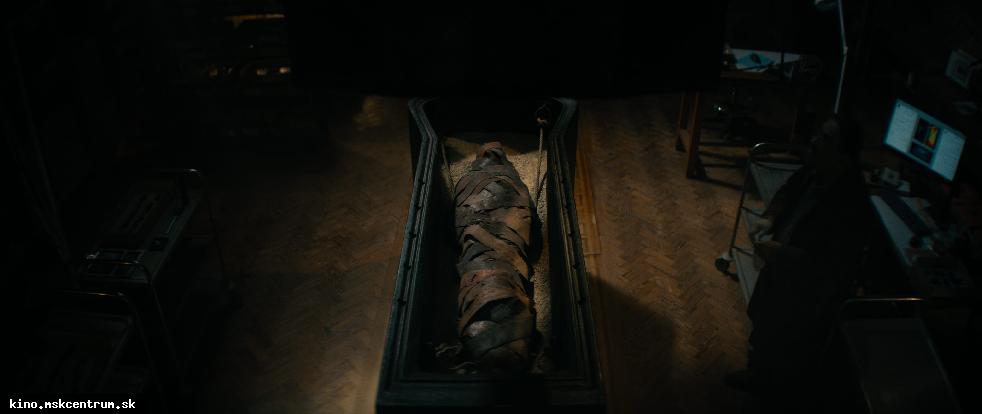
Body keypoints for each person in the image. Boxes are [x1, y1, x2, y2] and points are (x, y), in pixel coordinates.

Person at [725, 117, 873, 413]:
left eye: (826, 138)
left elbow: (829, 265)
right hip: (781, 267)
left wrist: (780, 252)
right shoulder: (817, 169)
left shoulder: (851, 203)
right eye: (819, 133)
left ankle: (770, 393)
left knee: (783, 341)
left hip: (804, 290)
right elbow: (786, 192)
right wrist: (769, 218)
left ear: (843, 156)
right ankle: (758, 374)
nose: (814, 141)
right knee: (763, 322)